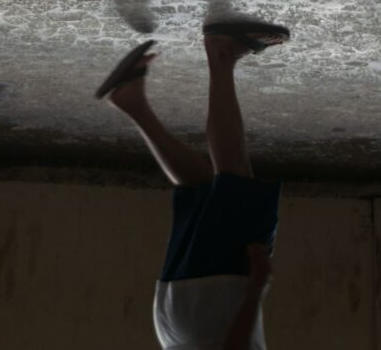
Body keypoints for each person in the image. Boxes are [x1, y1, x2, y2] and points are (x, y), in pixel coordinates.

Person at [95, 21, 290, 349]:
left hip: (213, 307)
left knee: (235, 179)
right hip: (174, 321)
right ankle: (132, 101)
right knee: (202, 189)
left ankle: (222, 53)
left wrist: (257, 288)